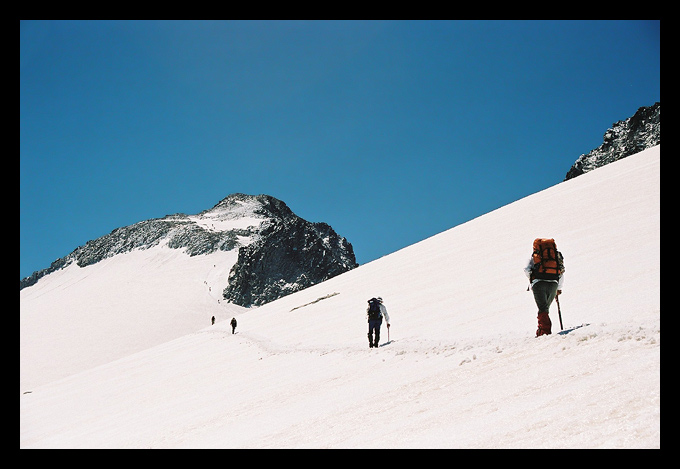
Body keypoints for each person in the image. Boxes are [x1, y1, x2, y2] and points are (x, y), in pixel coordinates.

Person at [524, 238, 564, 337]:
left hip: (539, 283)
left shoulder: (535, 257)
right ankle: (542, 330)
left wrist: (532, 279)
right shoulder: (556, 257)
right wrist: (558, 288)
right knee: (545, 308)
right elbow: (561, 272)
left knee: (543, 308)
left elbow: (526, 270)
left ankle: (544, 332)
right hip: (553, 283)